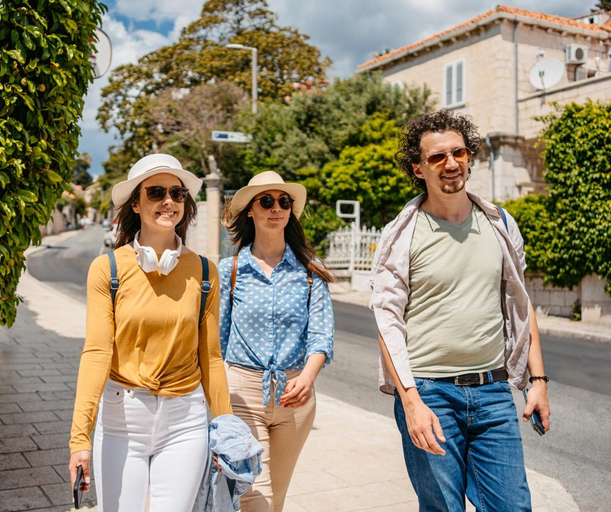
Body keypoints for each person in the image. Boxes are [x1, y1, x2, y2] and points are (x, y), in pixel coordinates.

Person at [370, 109, 551, 511]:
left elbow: (521, 305)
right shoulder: (402, 234)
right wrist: (411, 402)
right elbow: (387, 323)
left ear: (469, 156)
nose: (451, 163)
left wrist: (537, 380)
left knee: (512, 507)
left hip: (494, 393)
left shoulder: (499, 222)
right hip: (430, 393)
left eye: (459, 152)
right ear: (418, 168)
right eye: (437, 157)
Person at [68, 153, 232, 512]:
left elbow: (212, 357)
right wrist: (80, 439)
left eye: (177, 193)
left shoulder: (205, 272)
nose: (168, 201)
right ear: (136, 203)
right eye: (156, 192)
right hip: (122, 418)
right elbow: (96, 352)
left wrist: (225, 428)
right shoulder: (107, 269)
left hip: (186, 419)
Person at [219, 171, 335, 512]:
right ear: (250, 211)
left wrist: (308, 377)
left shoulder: (311, 270)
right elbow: (217, 340)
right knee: (256, 494)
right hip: (243, 392)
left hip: (296, 396)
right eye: (266, 201)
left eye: (284, 202)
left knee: (277, 497)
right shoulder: (230, 270)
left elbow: (321, 334)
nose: (276, 208)